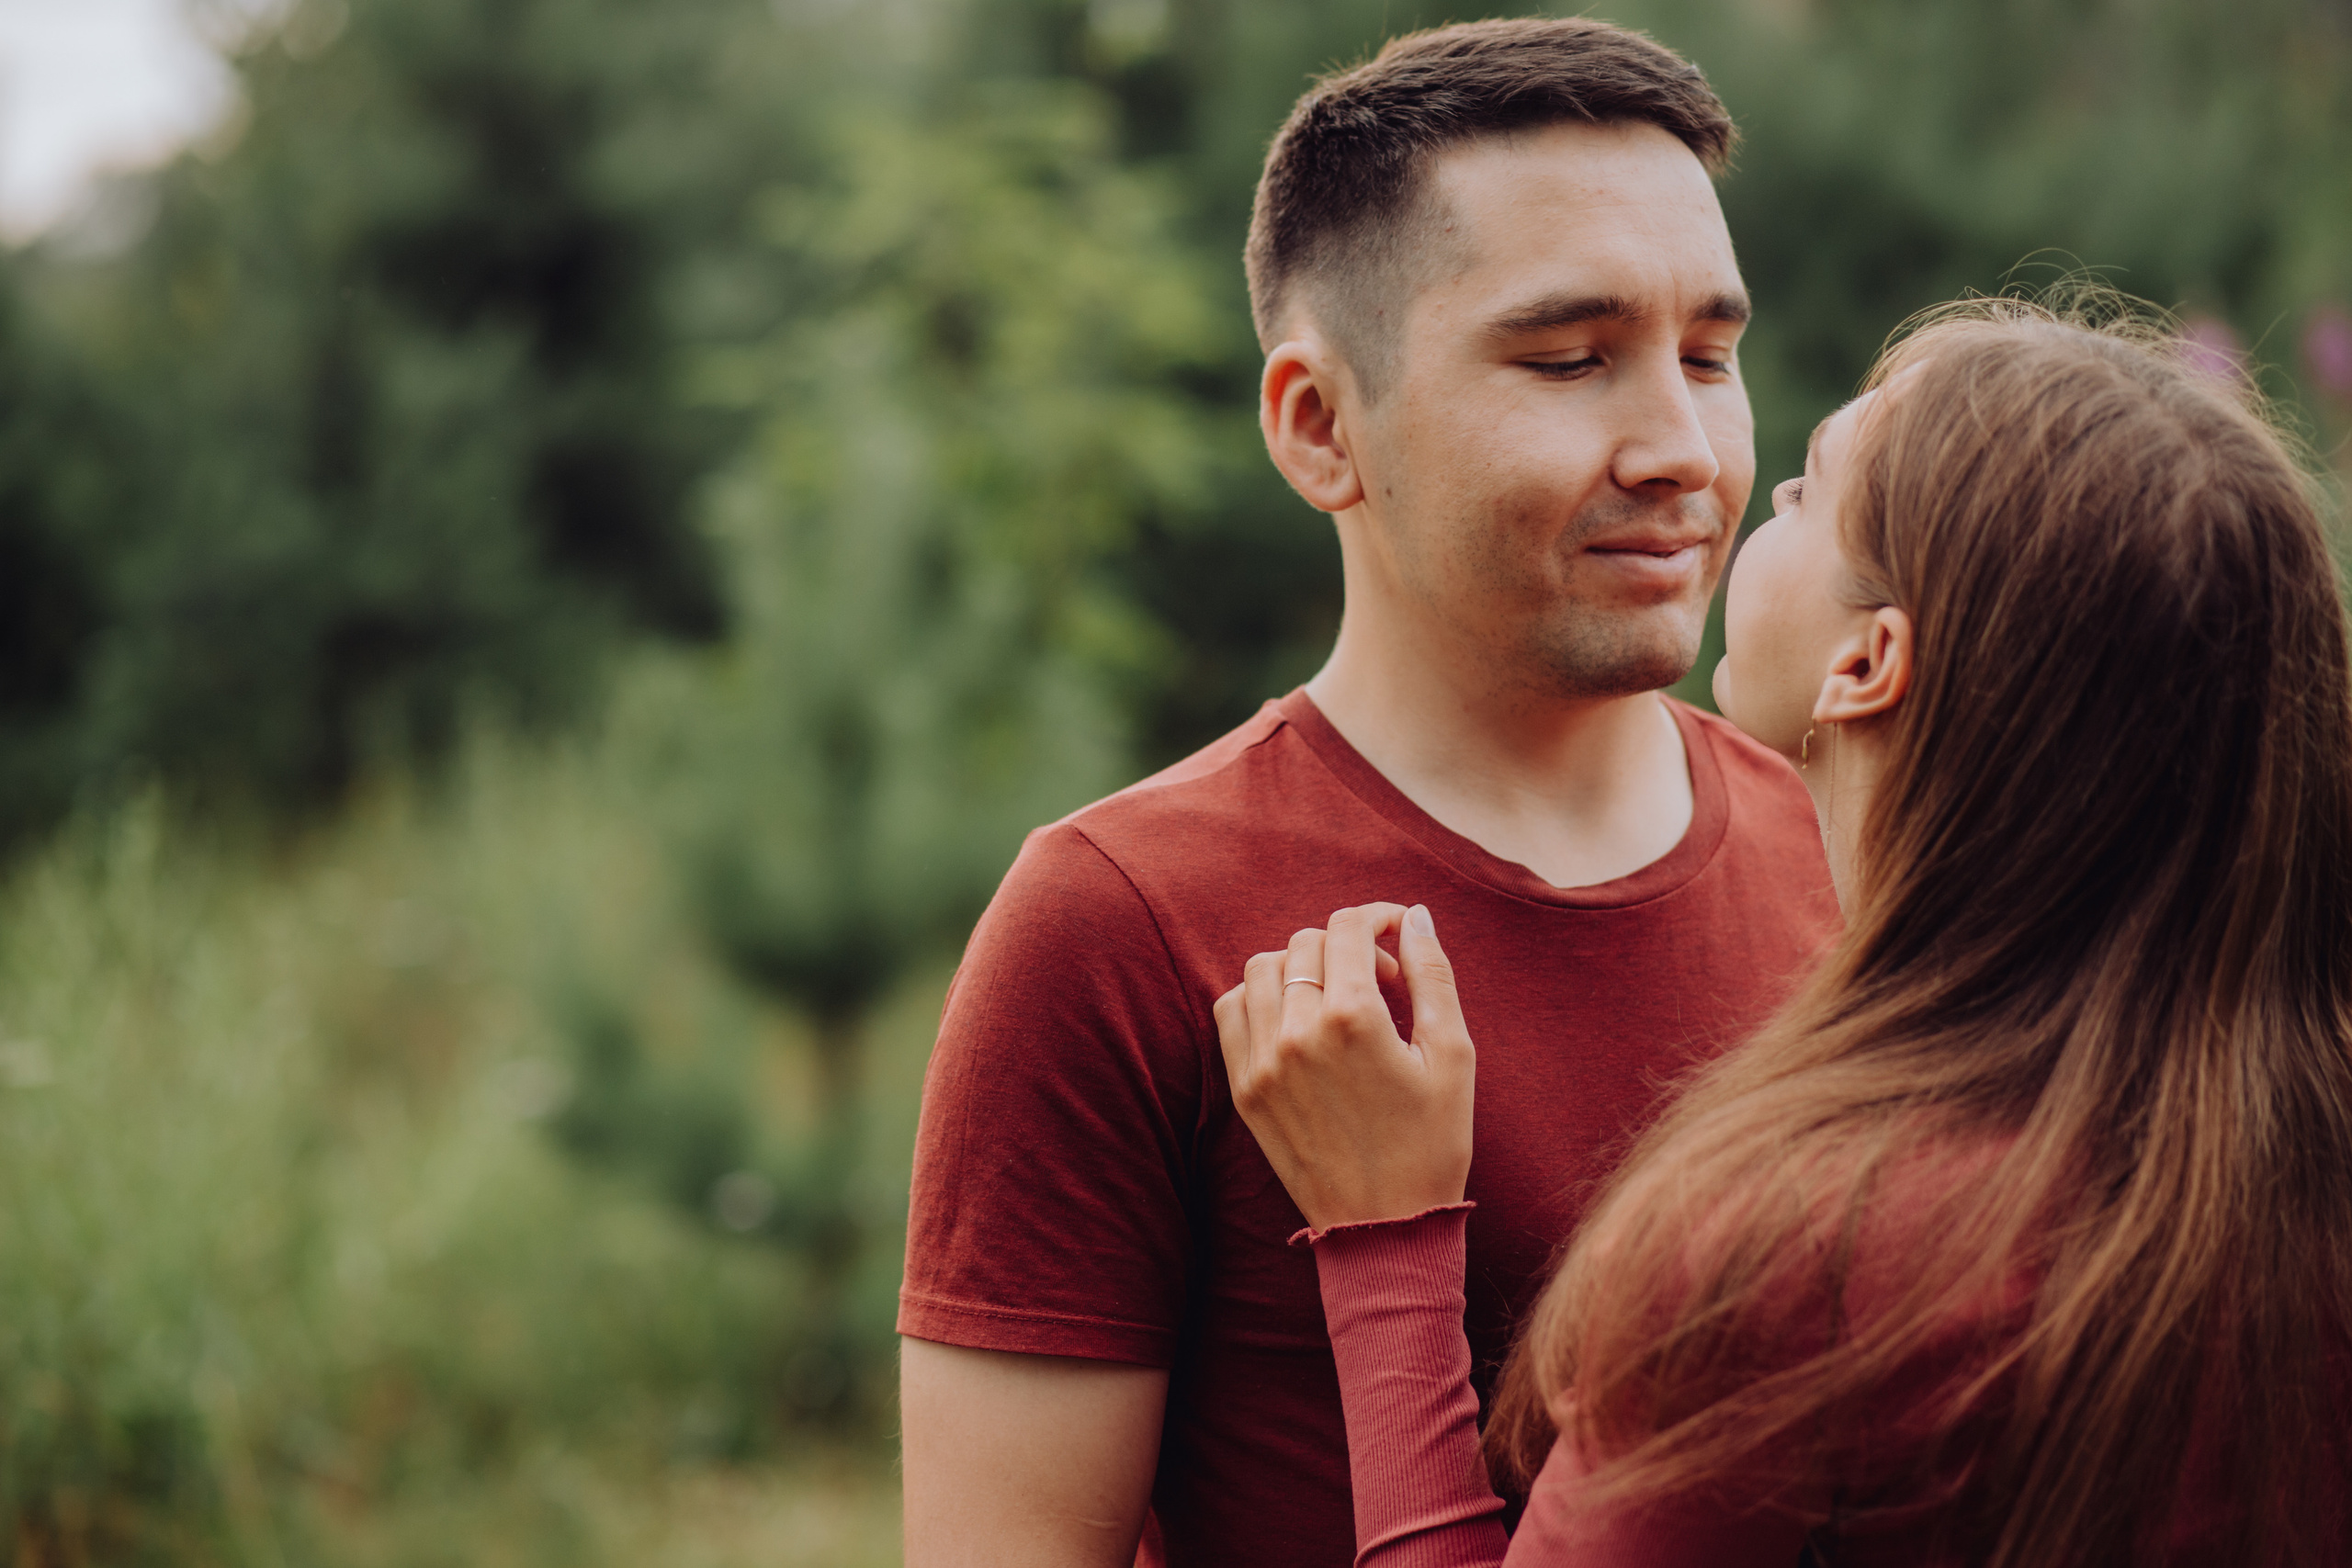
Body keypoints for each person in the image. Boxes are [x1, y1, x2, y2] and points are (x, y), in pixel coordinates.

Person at [898, 17, 1845, 1567]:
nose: (1682, 445)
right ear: (1319, 426)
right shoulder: (1117, 928)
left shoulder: (1863, 854)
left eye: (1709, 355)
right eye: (1568, 360)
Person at [1217, 299, 2352, 1567]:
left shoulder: (1809, 1252)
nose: (1704, 465)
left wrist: (1389, 1242)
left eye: (1806, 493)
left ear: (1867, 664)